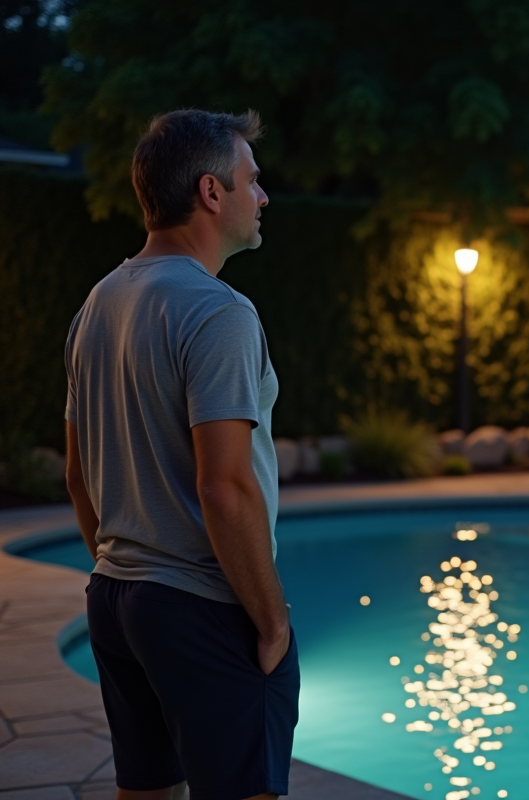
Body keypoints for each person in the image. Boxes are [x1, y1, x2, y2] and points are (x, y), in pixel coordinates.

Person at [63, 109, 297, 800]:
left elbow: (79, 478)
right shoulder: (219, 311)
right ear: (210, 192)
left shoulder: (97, 305)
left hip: (116, 599)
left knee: (147, 791)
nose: (263, 196)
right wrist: (271, 617)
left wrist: (124, 568)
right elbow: (225, 487)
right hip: (201, 603)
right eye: (251, 180)